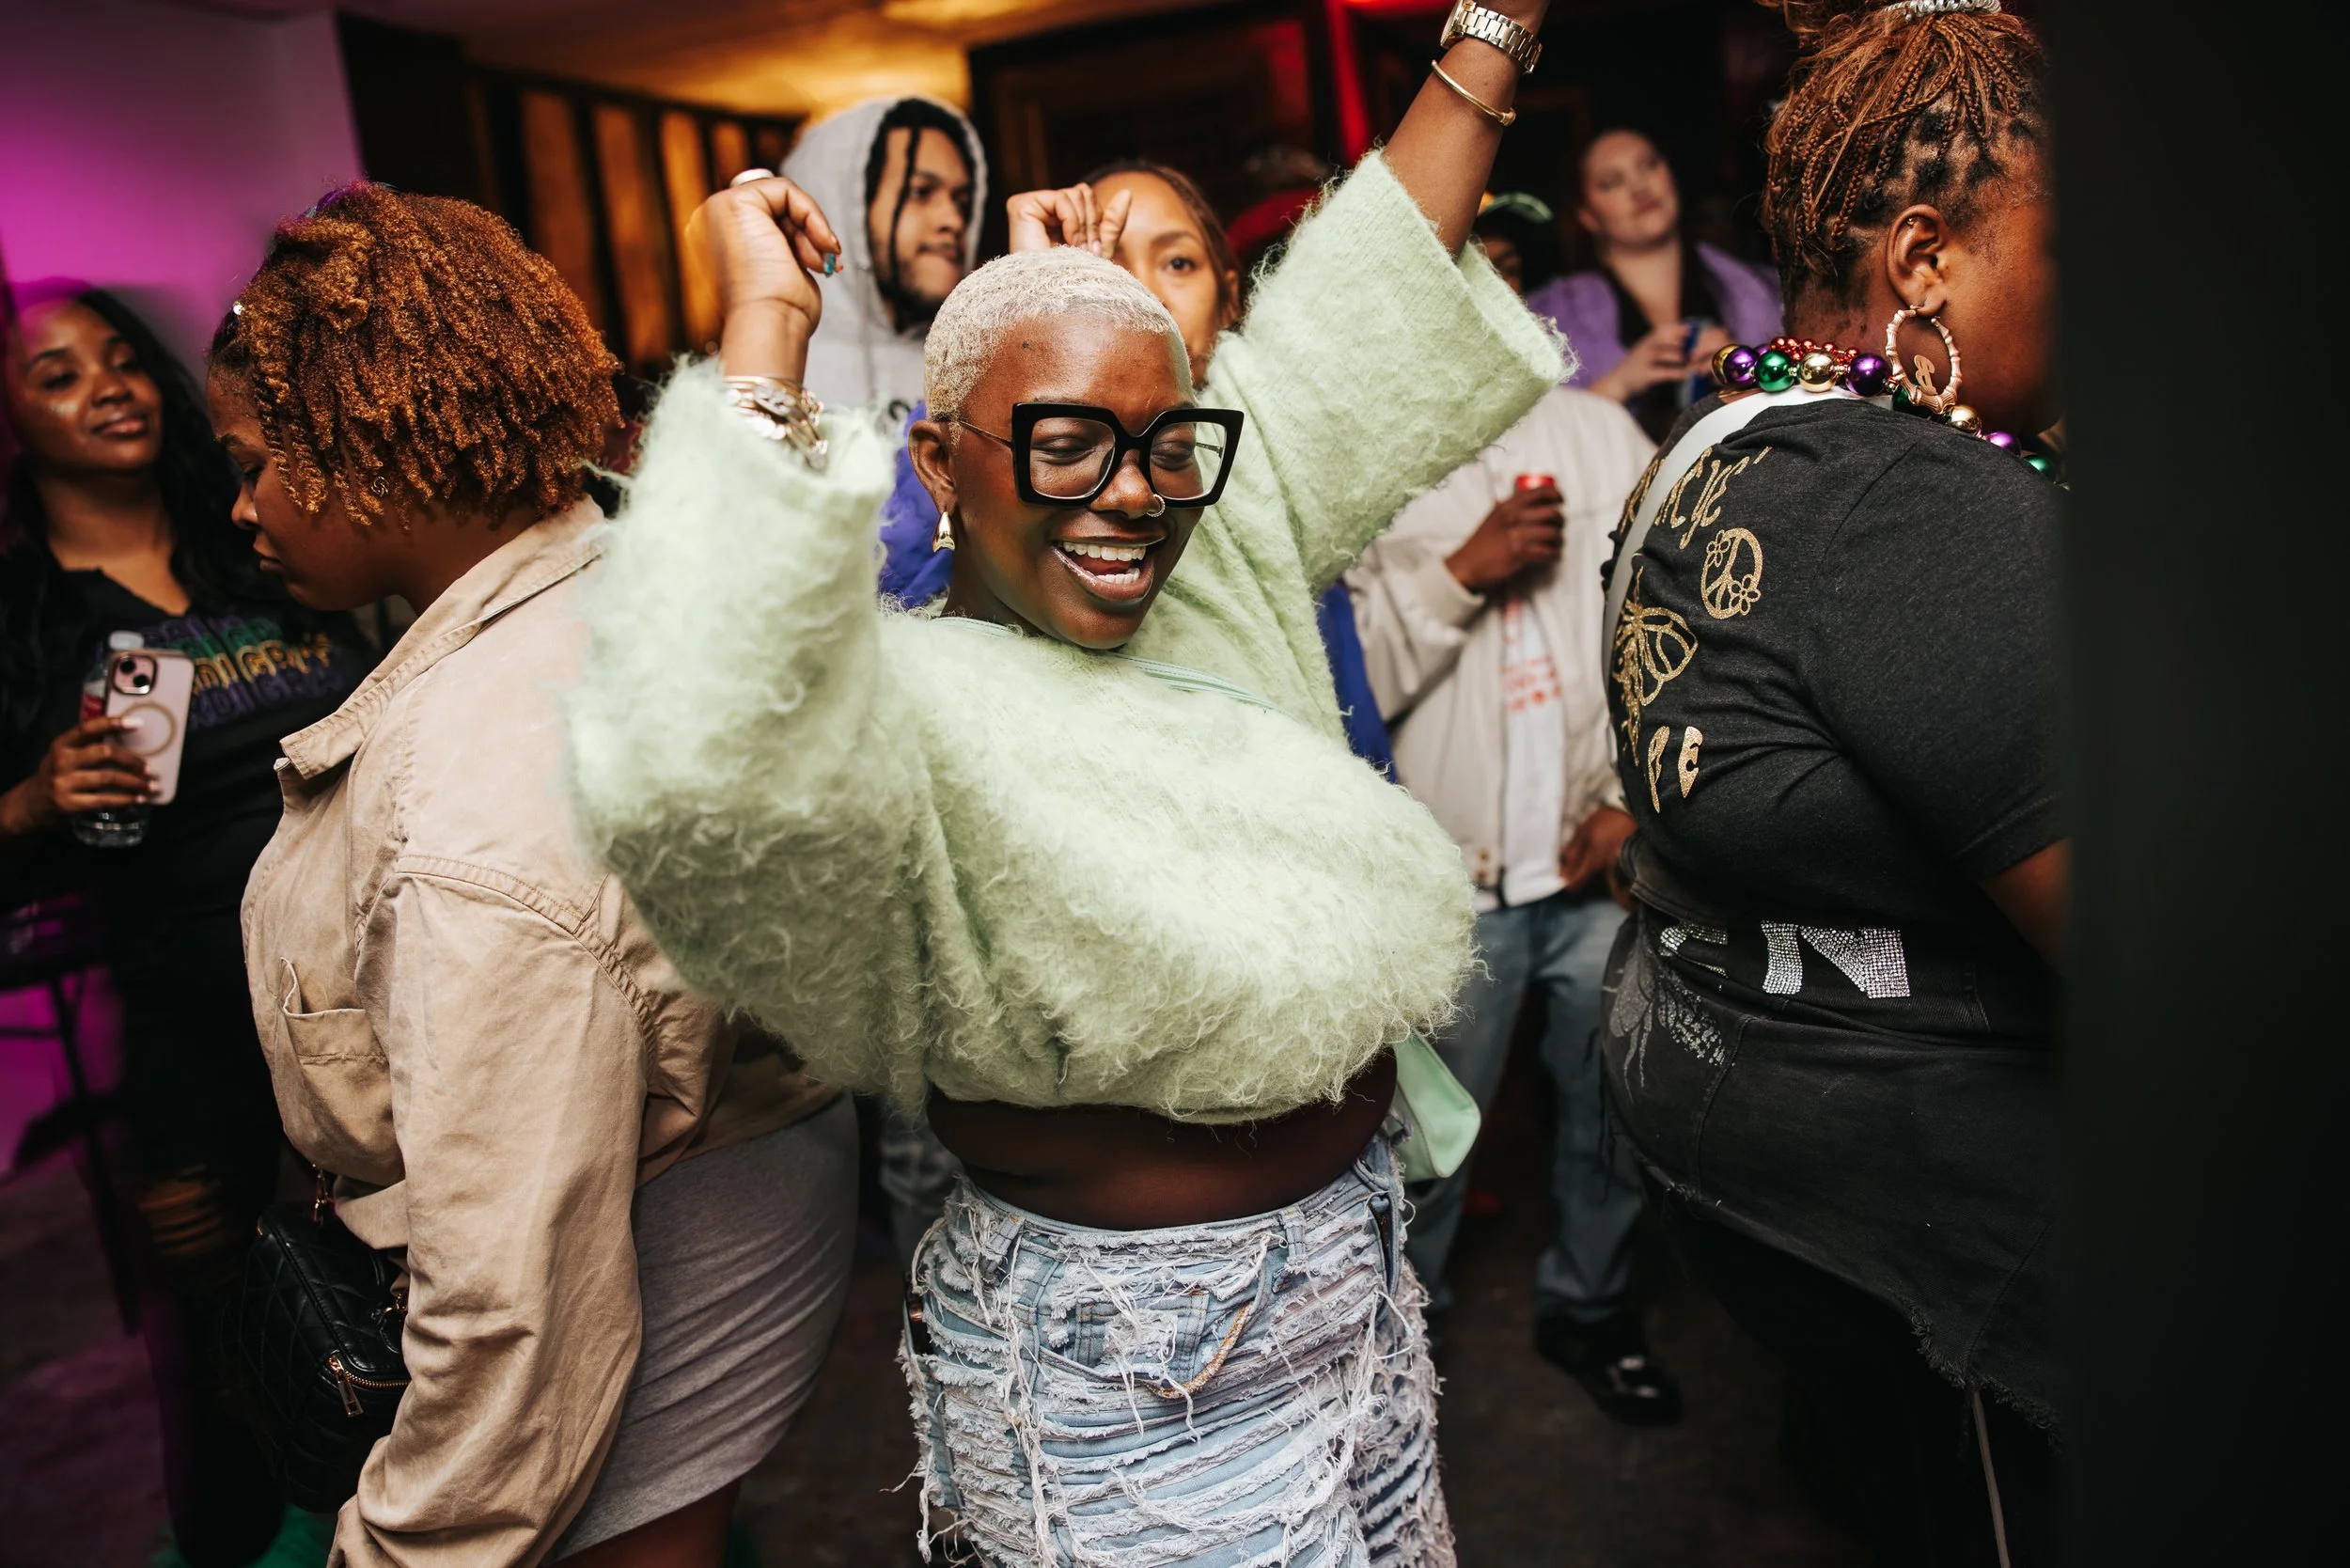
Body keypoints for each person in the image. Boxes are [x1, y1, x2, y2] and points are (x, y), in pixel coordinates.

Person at [566, 3, 1560, 1560]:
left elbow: (1373, 285)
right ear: (937, 461)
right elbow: (698, 747)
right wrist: (764, 331)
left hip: (1354, 1275)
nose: (1132, 497)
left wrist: (1493, 23)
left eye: (1164, 446)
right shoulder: (893, 709)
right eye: (1065, 443)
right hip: (1135, 1361)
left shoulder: (1215, 543)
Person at [212, 185, 851, 1567]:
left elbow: (510, 1306)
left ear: (360, 446)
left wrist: (395, 1550)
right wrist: (767, 312)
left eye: (254, 461)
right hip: (742, 1197)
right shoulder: (614, 562)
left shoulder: (474, 819)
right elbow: (737, 532)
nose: (240, 505)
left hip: (657, 1253)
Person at [1595, 0, 2063, 1560]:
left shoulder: (1719, 438)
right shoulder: (1914, 510)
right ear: (1925, 259)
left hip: (1751, 1179)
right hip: (1954, 1260)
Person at [867, 158, 1399, 1263]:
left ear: (1232, 299)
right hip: (1108, 1304)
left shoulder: (1234, 496)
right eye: (1066, 445)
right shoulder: (938, 654)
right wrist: (1031, 306)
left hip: (1350, 1236)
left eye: (1175, 262)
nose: (1131, 287)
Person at [1, 280, 374, 1568]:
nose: (108, 386)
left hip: (373, 1000)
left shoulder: (260, 534)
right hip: (194, 1030)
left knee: (424, 1316)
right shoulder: (27, 620)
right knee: (234, 1352)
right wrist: (34, 799)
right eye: (57, 374)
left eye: (119, 357)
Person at [1346, 228, 1674, 1421]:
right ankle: (1396, 1354)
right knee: (1424, 1145)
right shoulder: (1366, 468)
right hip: (1451, 882)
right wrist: (1457, 574)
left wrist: (1631, 803)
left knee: (1612, 1118)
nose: (1478, 290)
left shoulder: (1602, 437)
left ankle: (1590, 1307)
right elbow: (1342, 692)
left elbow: (1677, 640)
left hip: (1595, 869)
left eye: (1498, 268)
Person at [1525, 128, 1781, 441]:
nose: (1639, 188)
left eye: (1649, 165)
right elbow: (1536, 445)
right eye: (1612, 182)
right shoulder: (1548, 321)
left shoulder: (1764, 290)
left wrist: (1746, 373)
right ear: (1587, 215)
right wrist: (1619, 384)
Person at [779, 95, 984, 415]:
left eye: (961, 201)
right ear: (841, 212)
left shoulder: (982, 370)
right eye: (920, 192)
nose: (954, 220)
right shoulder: (764, 378)